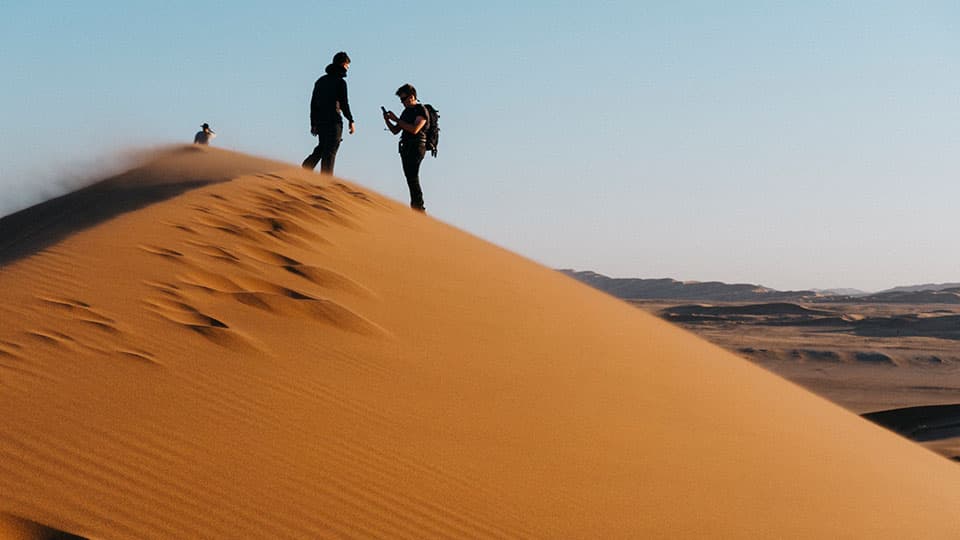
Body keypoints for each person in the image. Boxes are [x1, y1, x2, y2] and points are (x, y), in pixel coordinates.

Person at [302, 51, 355, 174]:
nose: (348, 68)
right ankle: (326, 183)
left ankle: (306, 167)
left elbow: (313, 104)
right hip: (333, 122)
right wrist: (351, 120)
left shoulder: (320, 81)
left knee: (322, 148)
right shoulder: (340, 82)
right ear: (343, 64)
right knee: (329, 153)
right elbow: (344, 103)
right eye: (347, 65)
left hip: (321, 122)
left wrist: (313, 124)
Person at [383, 83, 429, 212]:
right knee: (410, 177)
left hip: (417, 146)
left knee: (412, 176)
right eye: (401, 100)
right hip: (406, 147)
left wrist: (397, 119)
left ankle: (418, 208)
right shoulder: (406, 111)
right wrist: (387, 120)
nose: (402, 102)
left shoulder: (421, 110)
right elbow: (395, 131)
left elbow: (415, 129)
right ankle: (416, 206)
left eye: (404, 99)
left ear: (412, 96)